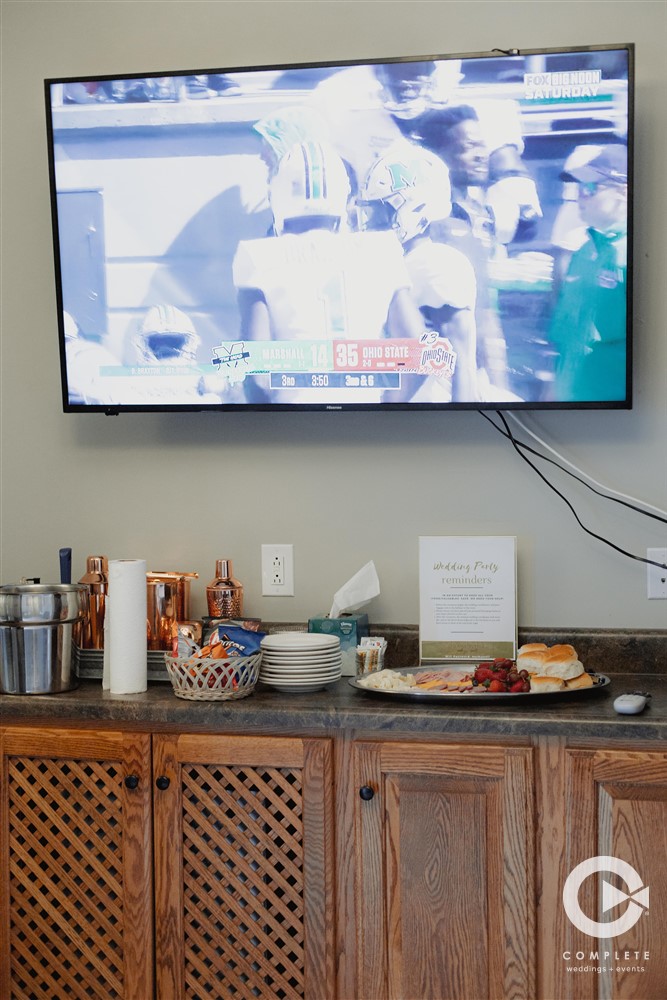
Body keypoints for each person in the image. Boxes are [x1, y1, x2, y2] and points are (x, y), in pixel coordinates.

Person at [231, 140, 425, 404]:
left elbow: (256, 376)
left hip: (295, 421)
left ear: (277, 196)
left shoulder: (258, 256)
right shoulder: (381, 249)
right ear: (342, 197)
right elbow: (418, 352)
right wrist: (386, 412)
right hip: (364, 416)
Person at [357, 141, 479, 402]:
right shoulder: (400, 262)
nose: (371, 221)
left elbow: (461, 358)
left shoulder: (436, 263)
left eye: (380, 210)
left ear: (411, 206)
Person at [548, 145, 628, 402]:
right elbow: (567, 333)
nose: (581, 197)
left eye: (591, 188)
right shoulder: (584, 250)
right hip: (572, 403)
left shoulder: (639, 252)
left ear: (624, 191)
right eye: (578, 189)